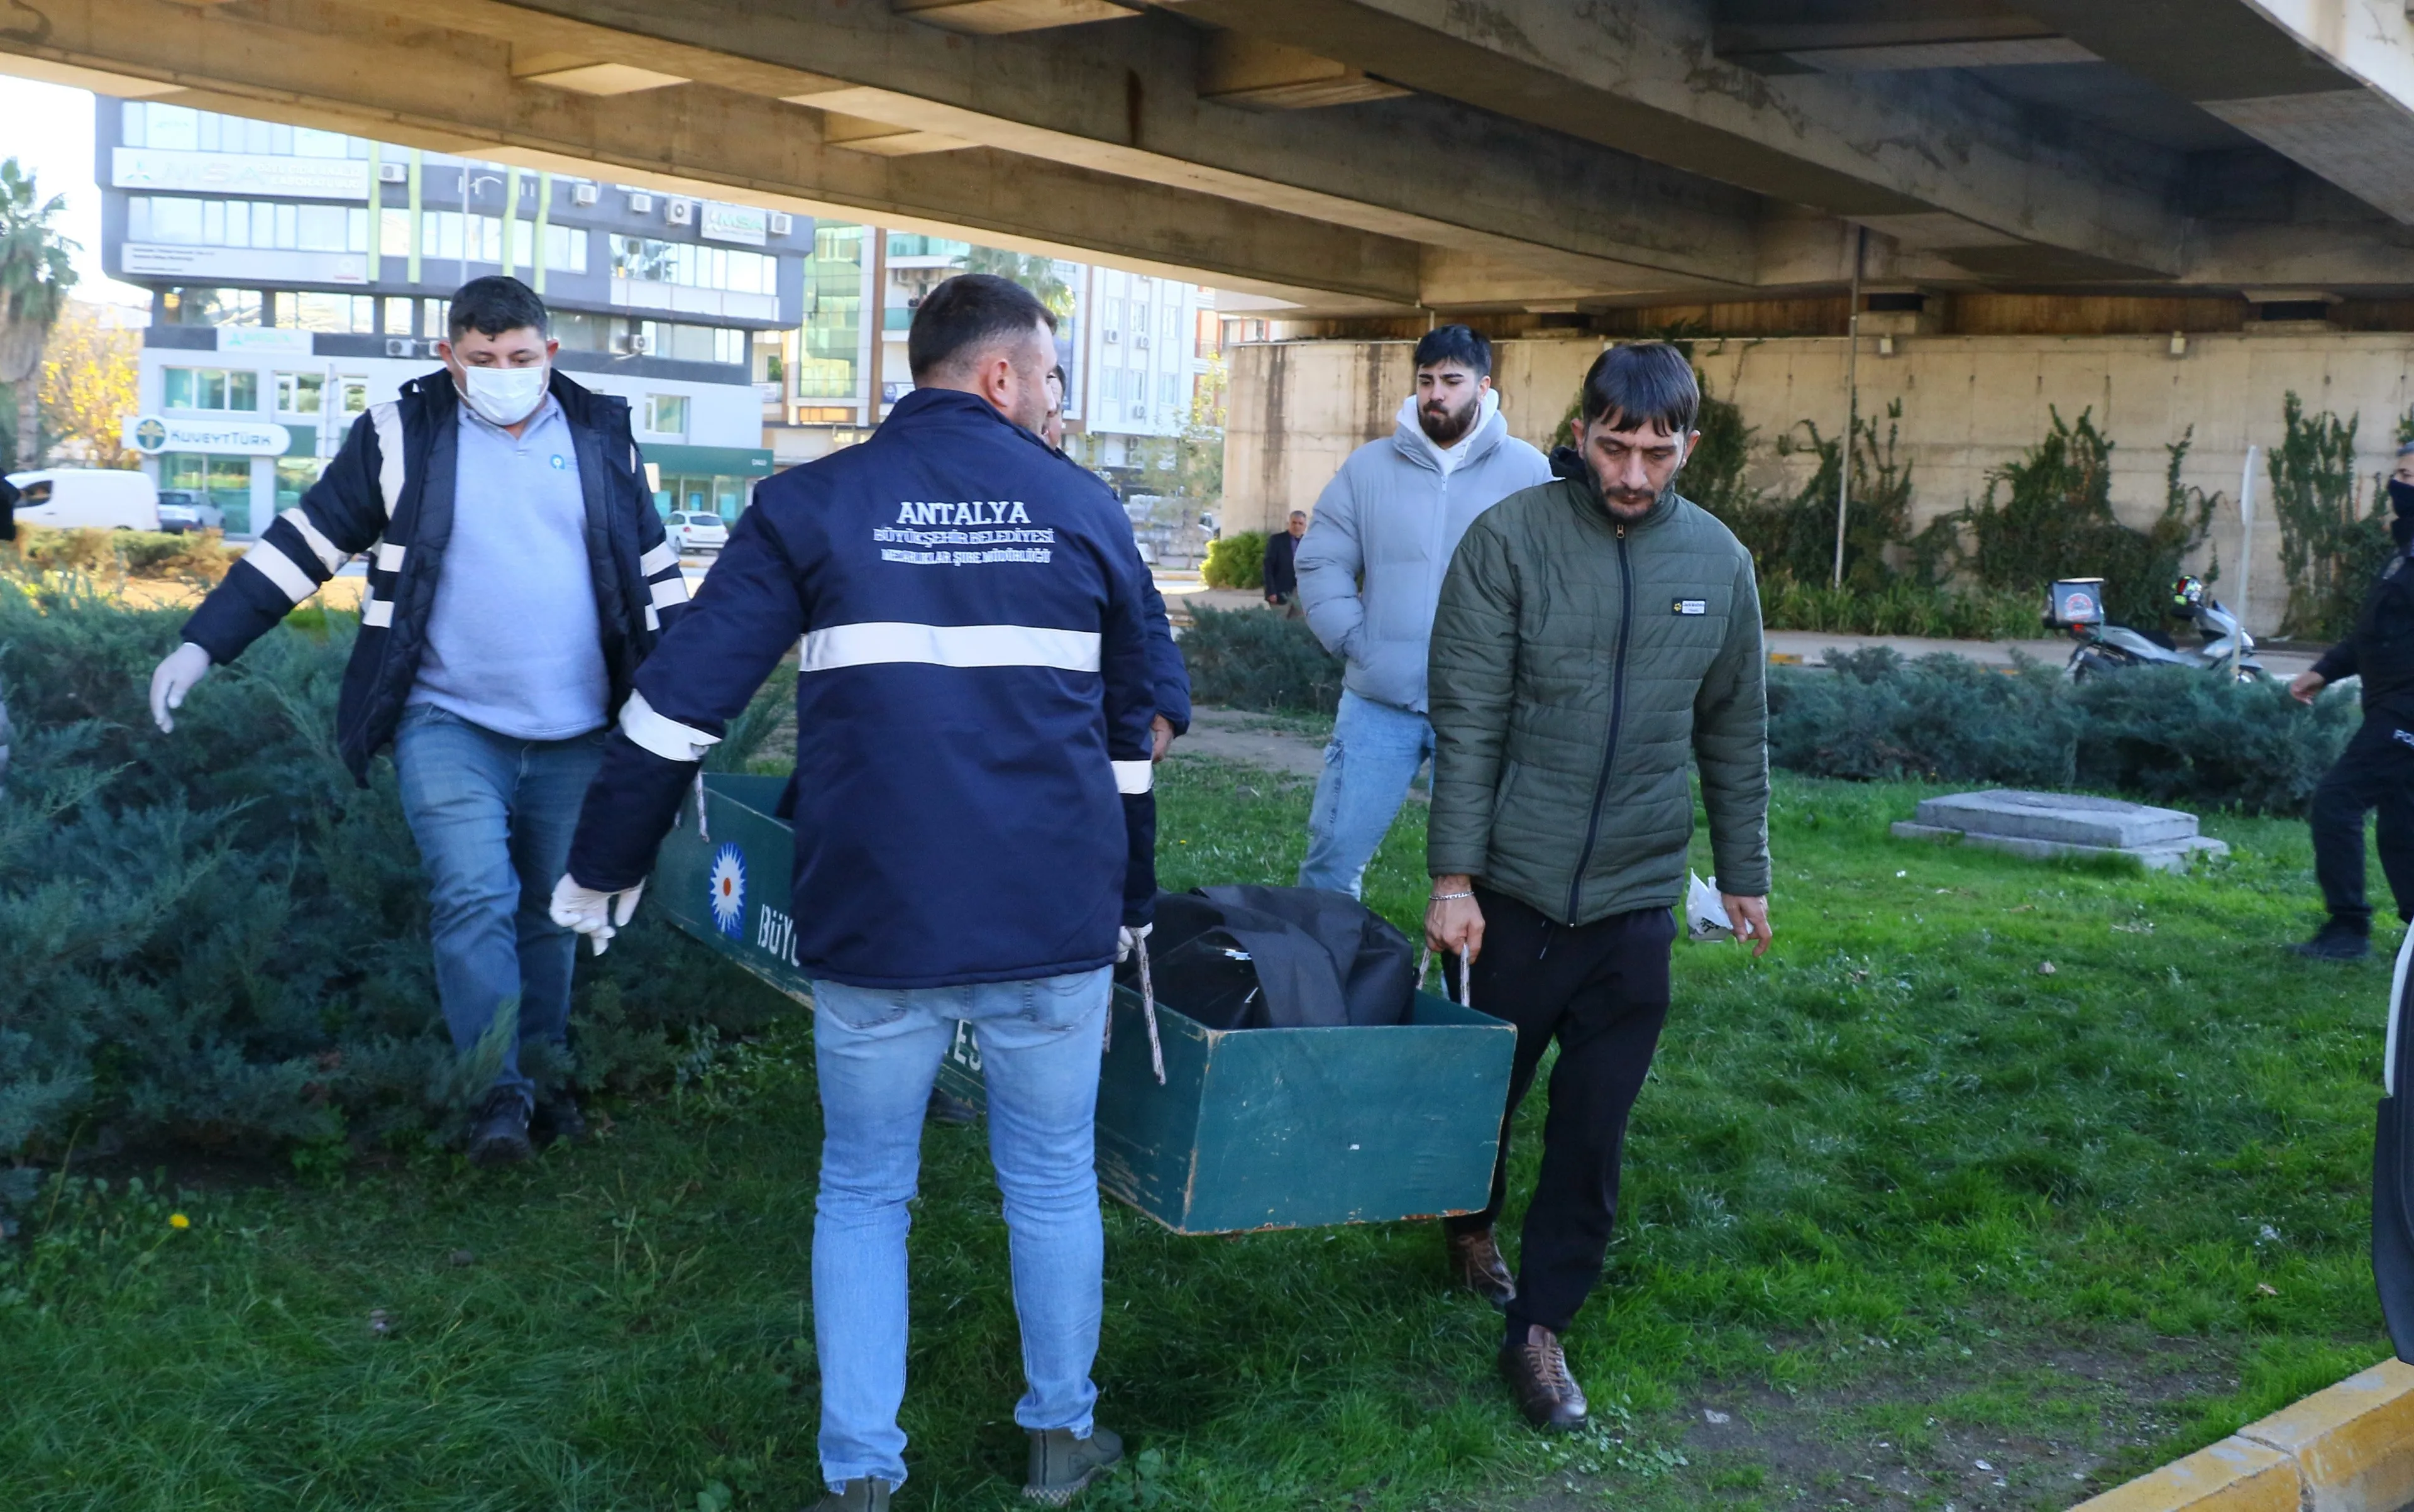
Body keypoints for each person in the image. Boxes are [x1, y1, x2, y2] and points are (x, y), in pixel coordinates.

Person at [549, 274, 1155, 1510]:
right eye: (1049, 376)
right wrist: (1133, 895)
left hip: (879, 922)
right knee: (1048, 1177)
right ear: (1000, 375)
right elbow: (1136, 732)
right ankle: (1059, 1440)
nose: (1055, 399)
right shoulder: (1085, 508)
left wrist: (602, 859)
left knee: (866, 1188)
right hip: (1053, 918)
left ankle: (862, 1475)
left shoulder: (808, 506)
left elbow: (676, 708)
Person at [145, 276, 688, 1166]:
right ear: (449, 356)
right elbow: (306, 542)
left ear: (550, 353)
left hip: (578, 729)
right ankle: (494, 1095)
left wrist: (681, 716)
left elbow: (657, 578)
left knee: (555, 911)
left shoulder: (601, 434)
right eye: (481, 359)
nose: (503, 373)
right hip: (447, 719)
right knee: (473, 893)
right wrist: (203, 644)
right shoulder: (402, 434)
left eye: (521, 359)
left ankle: (545, 1077)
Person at [1423, 341, 1772, 1432]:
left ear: (1688, 449)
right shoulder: (1509, 542)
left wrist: (1746, 874)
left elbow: (1734, 726)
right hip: (1509, 896)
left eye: (1655, 452)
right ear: (1579, 434)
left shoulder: (1718, 563)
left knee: (1592, 1128)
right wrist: (1453, 879)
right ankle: (1464, 1225)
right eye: (1613, 446)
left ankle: (1541, 1325)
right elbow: (1467, 722)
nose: (1631, 473)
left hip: (1633, 902)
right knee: (1483, 1100)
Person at [1294, 324, 1551, 897]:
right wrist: (1356, 641)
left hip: (1482, 712)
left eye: (1452, 381)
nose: (1436, 394)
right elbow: (1321, 559)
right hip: (1378, 702)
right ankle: (1323, 981)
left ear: (1484, 387)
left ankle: (1461, 989)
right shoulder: (1368, 468)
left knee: (1486, 878)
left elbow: (1554, 585)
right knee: (1331, 862)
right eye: (1427, 380)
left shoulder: (1530, 475)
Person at [2290, 442, 2414, 960]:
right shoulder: (2403, 554)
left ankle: (2347, 929)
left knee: (2338, 799)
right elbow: (2373, 633)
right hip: (2390, 702)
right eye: (2397, 473)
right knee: (2402, 822)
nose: (2397, 484)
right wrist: (2323, 671)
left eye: (2409, 474)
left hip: (2406, 710)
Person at [1262, 509, 1306, 612]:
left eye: (1301, 523)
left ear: (1305, 526)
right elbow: (1268, 567)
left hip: (1301, 594)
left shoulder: (1308, 543)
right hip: (1280, 593)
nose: (1297, 526)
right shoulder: (1276, 540)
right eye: (1294, 523)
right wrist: (1271, 591)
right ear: (1289, 524)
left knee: (1296, 626)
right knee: (1280, 625)